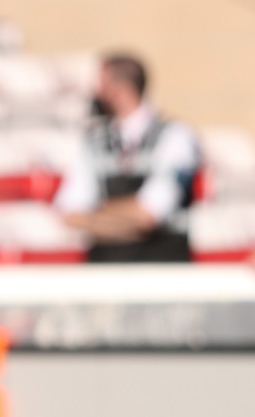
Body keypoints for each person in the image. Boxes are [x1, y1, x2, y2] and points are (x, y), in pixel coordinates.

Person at [53, 53, 200, 262]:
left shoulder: (176, 136)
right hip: (106, 273)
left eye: (101, 83)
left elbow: (150, 214)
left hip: (162, 274)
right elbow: (69, 214)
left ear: (120, 89)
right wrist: (129, 221)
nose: (95, 91)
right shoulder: (93, 140)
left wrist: (96, 215)